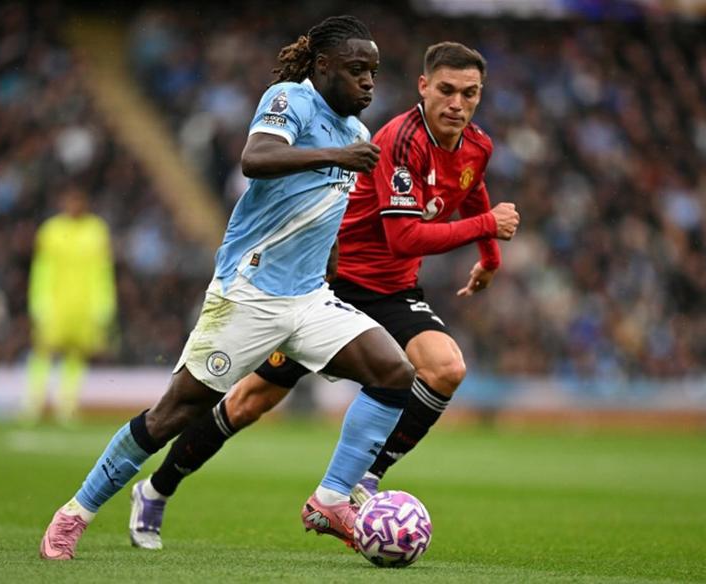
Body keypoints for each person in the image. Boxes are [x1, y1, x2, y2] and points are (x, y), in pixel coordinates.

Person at [39, 15, 417, 560]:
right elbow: (255, 159)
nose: (368, 82)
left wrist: (332, 254)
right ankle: (75, 512)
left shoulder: (356, 134)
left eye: (374, 72)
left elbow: (323, 203)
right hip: (249, 293)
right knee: (173, 415)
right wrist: (336, 157)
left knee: (395, 373)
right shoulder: (290, 99)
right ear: (323, 66)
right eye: (357, 69)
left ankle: (332, 500)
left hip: (308, 298)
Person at [129, 41, 520, 551]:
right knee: (249, 402)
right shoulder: (399, 141)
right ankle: (155, 489)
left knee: (446, 368)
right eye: (447, 90)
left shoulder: (478, 145)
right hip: (328, 285)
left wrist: (490, 258)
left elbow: (471, 188)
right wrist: (486, 227)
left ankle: (361, 481)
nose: (457, 103)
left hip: (393, 290)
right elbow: (404, 237)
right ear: (423, 87)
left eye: (470, 94)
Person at [22, 186, 116, 425]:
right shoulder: (51, 231)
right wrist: (39, 300)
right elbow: (42, 268)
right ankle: (34, 401)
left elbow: (102, 270)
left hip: (84, 305)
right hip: (56, 303)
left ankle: (67, 405)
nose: (74, 205)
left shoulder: (96, 230)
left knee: (76, 354)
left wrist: (103, 303)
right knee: (43, 350)